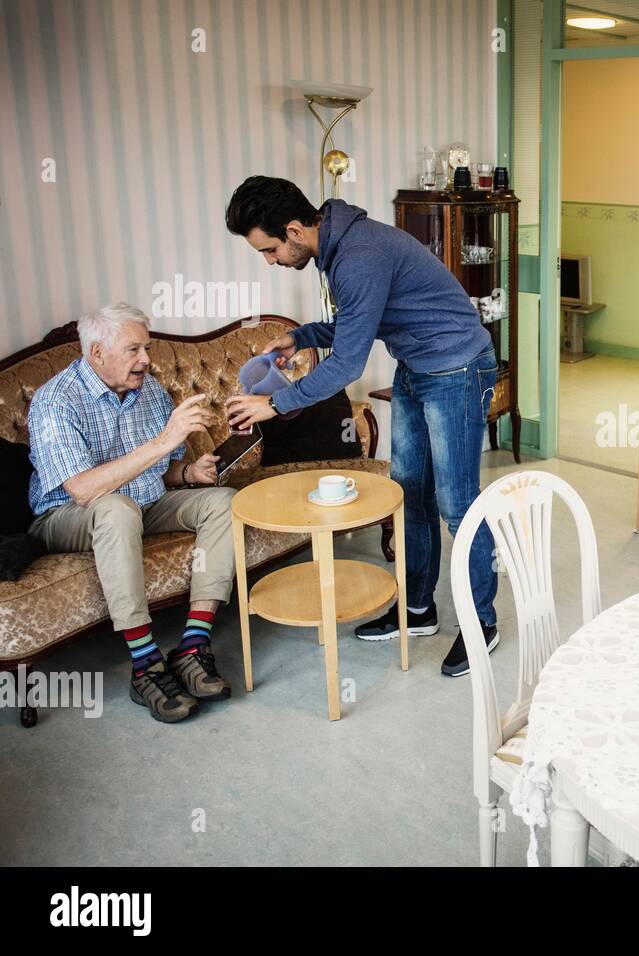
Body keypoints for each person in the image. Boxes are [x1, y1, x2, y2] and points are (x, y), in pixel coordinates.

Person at [223, 176, 499, 677]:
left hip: (457, 368)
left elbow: (348, 363)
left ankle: (482, 624)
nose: (270, 261)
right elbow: (359, 322)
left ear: (293, 230)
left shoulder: (359, 255)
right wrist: (301, 336)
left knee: (458, 505)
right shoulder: (343, 247)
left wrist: (276, 404)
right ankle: (418, 610)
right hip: (417, 367)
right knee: (409, 494)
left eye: (268, 250)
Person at [27, 303, 235, 723]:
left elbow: (164, 471)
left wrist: (190, 472)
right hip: (67, 515)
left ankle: (193, 646)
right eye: (134, 349)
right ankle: (145, 665)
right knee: (116, 510)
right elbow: (83, 490)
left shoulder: (151, 391)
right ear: (97, 353)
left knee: (224, 500)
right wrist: (163, 442)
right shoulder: (56, 401)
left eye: (147, 347)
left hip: (145, 503)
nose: (146, 359)